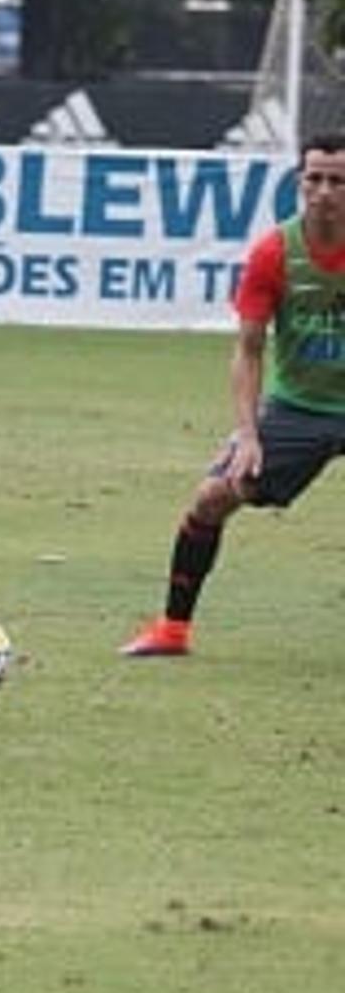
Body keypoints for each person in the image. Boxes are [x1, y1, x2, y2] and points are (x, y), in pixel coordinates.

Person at [120, 132, 345, 657]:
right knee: (212, 497)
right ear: (299, 183)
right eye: (315, 178)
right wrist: (248, 436)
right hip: (298, 409)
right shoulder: (274, 253)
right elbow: (248, 350)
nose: (325, 191)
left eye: (338, 180)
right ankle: (172, 631)